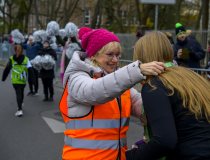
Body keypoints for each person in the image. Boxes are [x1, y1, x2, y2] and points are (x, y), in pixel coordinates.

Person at [59, 27, 167, 160]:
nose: (115, 60)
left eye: (118, 55)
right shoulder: (77, 77)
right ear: (93, 55)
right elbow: (94, 91)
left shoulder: (118, 81)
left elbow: (137, 102)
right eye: (110, 55)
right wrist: (136, 70)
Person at [125, 31, 210, 160]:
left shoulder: (155, 85)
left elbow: (164, 141)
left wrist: (132, 155)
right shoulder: (191, 76)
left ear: (141, 57)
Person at [2, 45, 36, 116]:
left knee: (18, 93)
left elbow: (7, 69)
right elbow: (31, 70)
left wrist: (3, 78)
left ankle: (19, 110)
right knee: (21, 91)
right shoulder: (26, 59)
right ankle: (20, 105)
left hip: (15, 80)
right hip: (23, 80)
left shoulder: (11, 59)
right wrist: (34, 81)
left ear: (14, 51)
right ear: (22, 51)